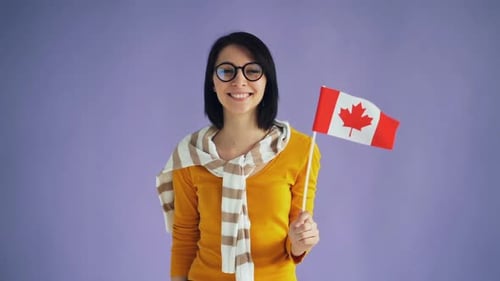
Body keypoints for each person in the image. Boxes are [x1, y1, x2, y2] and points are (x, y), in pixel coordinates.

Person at [156, 31, 321, 281]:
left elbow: (293, 247)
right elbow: (185, 238)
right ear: (213, 82)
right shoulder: (190, 154)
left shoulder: (301, 149)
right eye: (227, 71)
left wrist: (301, 241)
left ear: (267, 80)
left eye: (252, 71)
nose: (239, 81)